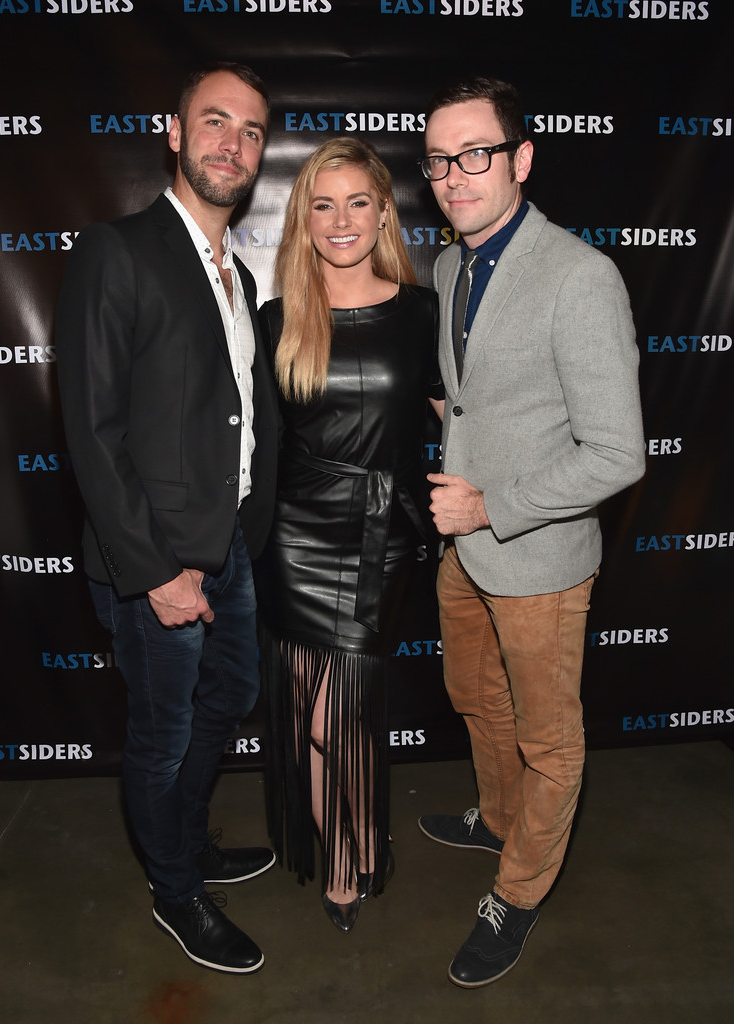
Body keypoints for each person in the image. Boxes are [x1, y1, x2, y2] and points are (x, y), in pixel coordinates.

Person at [416, 77, 645, 987]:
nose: (453, 175)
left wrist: (490, 505)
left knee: (549, 738)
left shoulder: (580, 275)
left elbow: (617, 454)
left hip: (537, 555)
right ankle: (497, 816)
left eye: (474, 153)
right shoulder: (447, 265)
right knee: (473, 696)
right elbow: (472, 394)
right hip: (462, 553)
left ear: (520, 160)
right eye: (437, 159)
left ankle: (517, 890)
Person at [55, 62, 279, 975]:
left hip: (229, 551)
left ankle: (185, 846)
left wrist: (236, 543)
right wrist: (156, 571)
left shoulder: (237, 272)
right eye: (215, 121)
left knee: (228, 702)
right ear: (175, 132)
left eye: (252, 130)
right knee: (164, 736)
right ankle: (175, 894)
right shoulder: (118, 250)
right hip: (158, 566)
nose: (233, 142)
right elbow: (92, 430)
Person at [255, 138, 443, 932]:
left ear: (381, 214)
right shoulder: (275, 319)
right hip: (296, 534)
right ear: (303, 218)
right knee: (315, 715)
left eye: (357, 202)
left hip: (384, 534)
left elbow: (456, 419)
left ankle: (352, 843)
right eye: (322, 204)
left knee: (347, 710)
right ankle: (356, 839)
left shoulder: (421, 310)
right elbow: (251, 441)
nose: (341, 221)